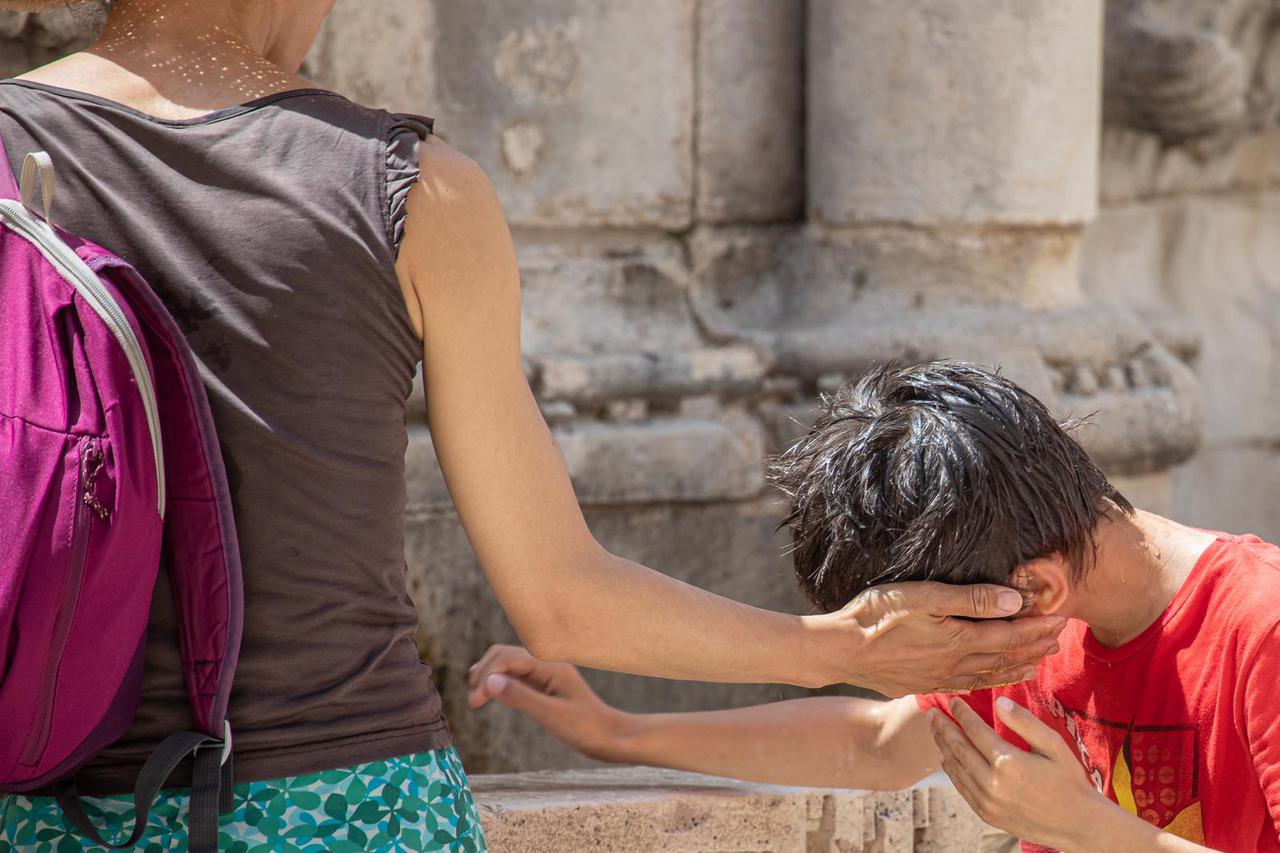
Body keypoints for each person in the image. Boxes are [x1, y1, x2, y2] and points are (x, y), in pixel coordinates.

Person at [0, 3, 1062, 850]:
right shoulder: (415, 193)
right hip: (346, 810)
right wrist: (836, 648)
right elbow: (561, 602)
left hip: (37, 806)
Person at [470, 362, 1280, 852]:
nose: (920, 669)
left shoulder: (1261, 626)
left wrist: (1094, 830)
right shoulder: (1039, 614)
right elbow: (879, 743)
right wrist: (620, 733)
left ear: (1031, 589)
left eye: (929, 640)